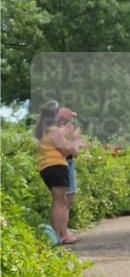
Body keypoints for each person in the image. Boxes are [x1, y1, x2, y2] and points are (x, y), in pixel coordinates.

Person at [35, 102, 80, 244]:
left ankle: (60, 234)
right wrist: (69, 137)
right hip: (56, 166)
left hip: (47, 167)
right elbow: (66, 150)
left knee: (59, 201)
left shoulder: (43, 130)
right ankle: (63, 235)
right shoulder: (54, 130)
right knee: (60, 202)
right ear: (55, 114)